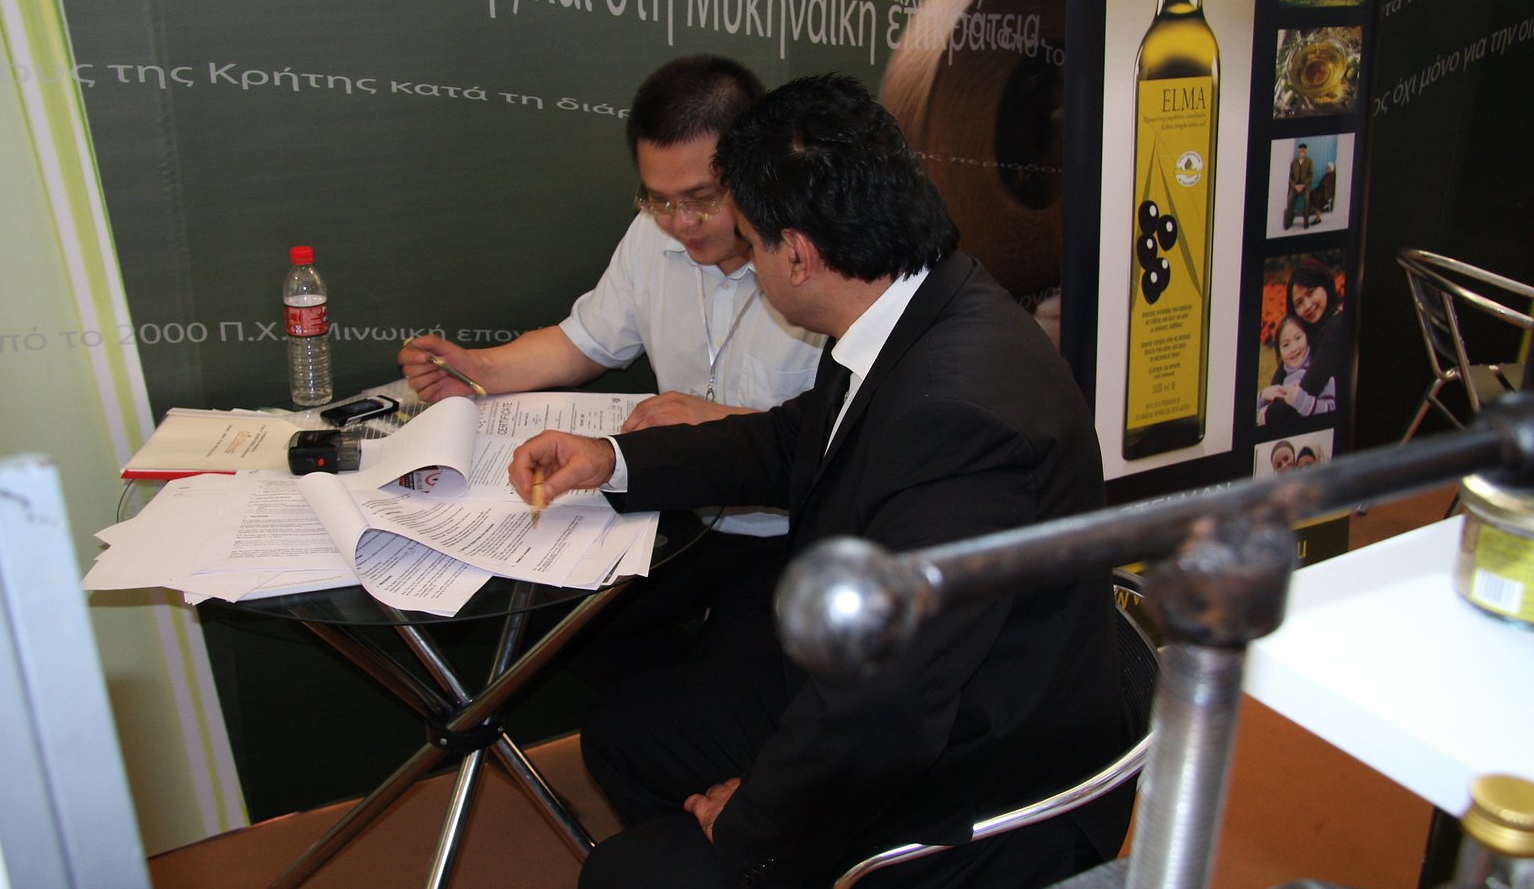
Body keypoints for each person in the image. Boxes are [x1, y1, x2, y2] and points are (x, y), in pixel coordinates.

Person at [510, 74, 1126, 888]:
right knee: (628, 735)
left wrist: (759, 816)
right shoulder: (914, 304)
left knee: (621, 876)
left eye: (751, 241)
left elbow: (890, 707)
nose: (742, 256)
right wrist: (614, 460)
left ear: (797, 254)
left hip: (971, 772)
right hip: (889, 676)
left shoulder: (960, 419)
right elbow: (790, 439)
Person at [399, 55, 825, 680]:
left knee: (717, 696)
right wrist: (475, 367)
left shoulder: (816, 261)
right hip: (681, 515)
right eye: (659, 200)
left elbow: (858, 437)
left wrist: (725, 426)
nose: (680, 225)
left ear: (756, 170)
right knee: (548, 630)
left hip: (792, 538)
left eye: (702, 199)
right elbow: (583, 343)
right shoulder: (654, 234)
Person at [1260, 258, 1346, 429]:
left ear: (1325, 285)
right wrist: (1264, 397)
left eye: (1311, 292)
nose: (1307, 306)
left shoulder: (1337, 326)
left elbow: (1307, 390)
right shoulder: (1310, 329)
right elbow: (1278, 380)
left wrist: (1265, 415)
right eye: (1299, 303)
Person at [1256, 313, 1335, 424]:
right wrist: (1262, 396)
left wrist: (1301, 401)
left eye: (1298, 338)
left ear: (1307, 337)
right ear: (1280, 353)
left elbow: (1331, 409)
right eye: (1286, 345)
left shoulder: (1319, 372)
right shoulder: (1282, 379)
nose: (1293, 348)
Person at [1285, 142, 1315, 229]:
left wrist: (1304, 185)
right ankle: (1288, 221)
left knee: (1307, 199)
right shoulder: (1294, 162)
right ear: (1299, 151)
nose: (1302, 152)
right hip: (1295, 186)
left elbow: (1310, 175)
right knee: (1290, 199)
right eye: (1301, 150)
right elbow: (1290, 176)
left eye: (1303, 151)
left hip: (1305, 186)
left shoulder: (1309, 161)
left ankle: (1306, 221)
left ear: (1305, 151)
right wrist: (1295, 186)